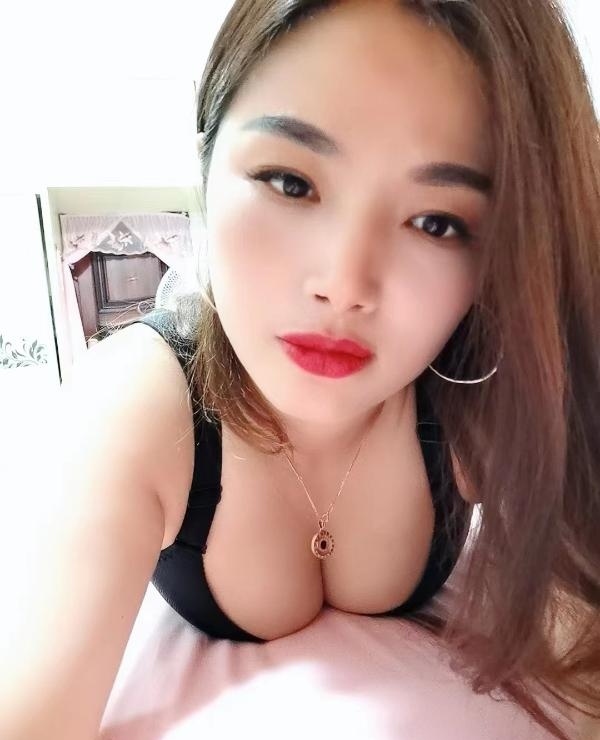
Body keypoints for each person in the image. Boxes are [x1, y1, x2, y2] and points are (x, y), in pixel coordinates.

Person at [2, 1, 598, 739]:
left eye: (437, 222)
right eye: (290, 182)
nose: (345, 285)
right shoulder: (140, 404)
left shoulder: (477, 383)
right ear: (206, 162)